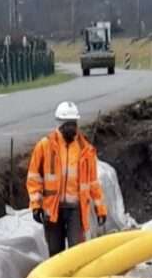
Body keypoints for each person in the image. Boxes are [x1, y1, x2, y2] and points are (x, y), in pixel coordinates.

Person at [27, 101, 106, 255]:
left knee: (76, 252)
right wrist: (36, 205)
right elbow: (34, 177)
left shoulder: (85, 150)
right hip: (52, 209)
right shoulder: (45, 146)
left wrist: (100, 209)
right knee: (55, 252)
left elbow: (93, 183)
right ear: (60, 125)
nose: (71, 128)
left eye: (73, 124)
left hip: (76, 209)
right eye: (67, 125)